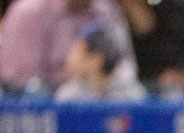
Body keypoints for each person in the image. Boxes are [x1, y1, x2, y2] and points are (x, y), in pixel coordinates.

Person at [0, 0, 137, 90]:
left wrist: (102, 79)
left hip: (102, 100)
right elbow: (15, 83)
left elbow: (126, 67)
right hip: (45, 113)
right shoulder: (27, 12)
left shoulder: (107, 10)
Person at [54, 22, 149, 99]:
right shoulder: (69, 95)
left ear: (96, 59)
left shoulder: (132, 95)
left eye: (77, 51)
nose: (70, 57)